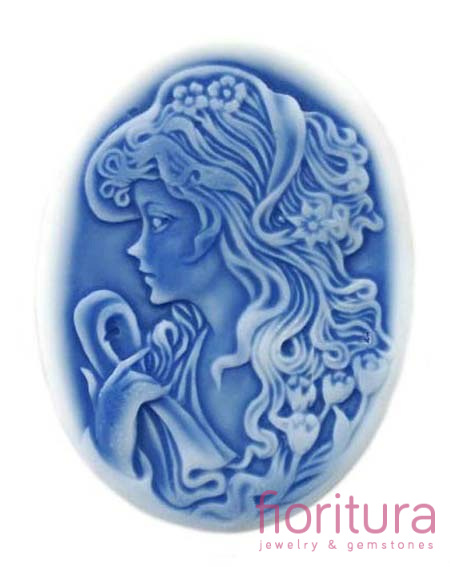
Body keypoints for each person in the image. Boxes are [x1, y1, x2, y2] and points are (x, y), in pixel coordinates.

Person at [75, 64, 390, 520]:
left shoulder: (330, 369)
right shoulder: (173, 356)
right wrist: (114, 426)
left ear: (223, 224)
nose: (135, 247)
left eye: (159, 221)